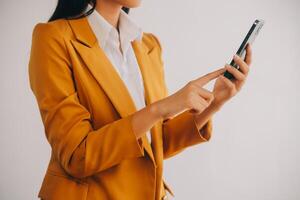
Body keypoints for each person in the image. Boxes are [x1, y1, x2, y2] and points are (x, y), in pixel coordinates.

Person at [28, 0, 252, 199]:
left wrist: (215, 102)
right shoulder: (53, 38)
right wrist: (160, 109)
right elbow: (77, 155)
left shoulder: (148, 45)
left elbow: (154, 144)